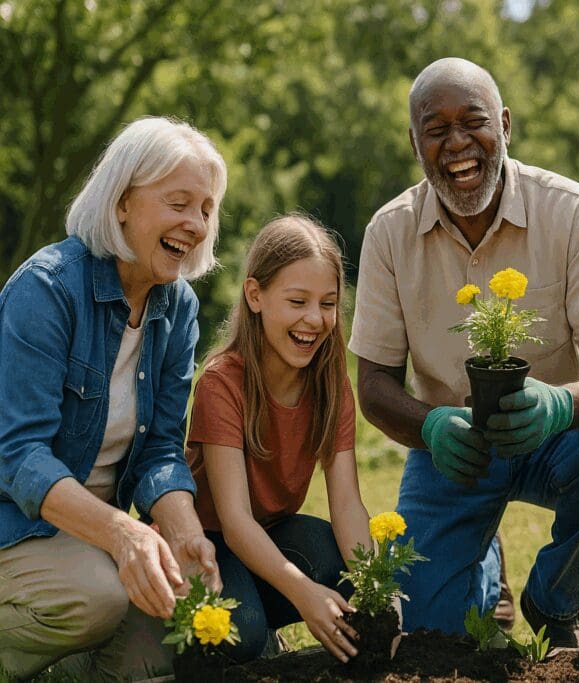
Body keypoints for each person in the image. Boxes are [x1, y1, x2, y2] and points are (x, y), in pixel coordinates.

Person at [350, 57, 579, 647]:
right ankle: (485, 572)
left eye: (475, 122)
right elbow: (375, 385)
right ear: (415, 143)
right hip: (451, 450)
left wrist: (560, 405)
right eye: (436, 129)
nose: (458, 144)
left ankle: (553, 601)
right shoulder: (389, 232)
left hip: (560, 439)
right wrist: (432, 427)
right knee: (434, 635)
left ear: (505, 124)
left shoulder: (573, 211)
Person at [0, 117, 227, 681]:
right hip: (18, 526)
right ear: (122, 203)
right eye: (178, 203)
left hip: (90, 535)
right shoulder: (47, 290)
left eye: (205, 208)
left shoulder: (178, 309)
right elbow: (18, 455)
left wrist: (183, 531)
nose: (195, 224)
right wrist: (124, 534)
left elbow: (160, 454)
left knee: (164, 626)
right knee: (98, 598)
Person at [186, 214, 372, 664]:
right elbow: (234, 521)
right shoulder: (222, 383)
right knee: (240, 637)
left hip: (270, 533)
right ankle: (244, 626)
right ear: (256, 296)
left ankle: (257, 612)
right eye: (297, 301)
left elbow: (346, 502)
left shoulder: (329, 382)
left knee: (347, 572)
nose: (315, 319)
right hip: (208, 543)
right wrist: (303, 592)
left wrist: (377, 586)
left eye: (327, 303)